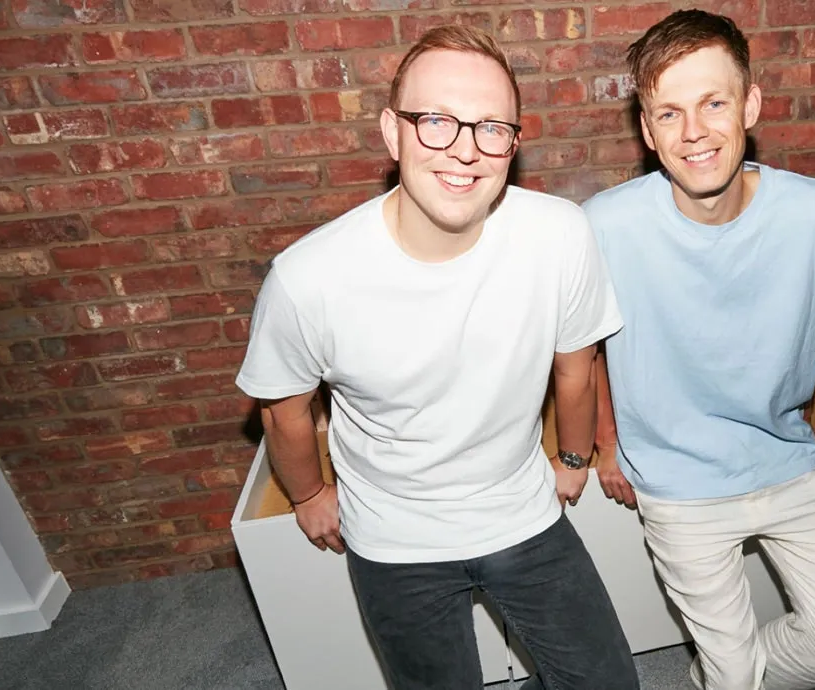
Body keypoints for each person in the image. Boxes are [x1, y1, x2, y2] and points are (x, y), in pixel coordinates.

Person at [236, 25, 639, 690]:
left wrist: (574, 456)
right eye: (436, 122)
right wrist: (307, 493)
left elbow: (577, 362)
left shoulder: (558, 236)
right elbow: (284, 413)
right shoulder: (309, 279)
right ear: (392, 133)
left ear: (514, 142)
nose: (465, 150)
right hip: (396, 539)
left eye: (490, 127)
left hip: (522, 512)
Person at [584, 9, 815, 690]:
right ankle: (729, 670)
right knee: (736, 678)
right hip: (677, 482)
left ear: (750, 104)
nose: (693, 133)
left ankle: (719, 670)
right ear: (646, 129)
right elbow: (585, 345)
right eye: (668, 113)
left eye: (713, 102)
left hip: (786, 464)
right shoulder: (606, 225)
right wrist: (606, 441)